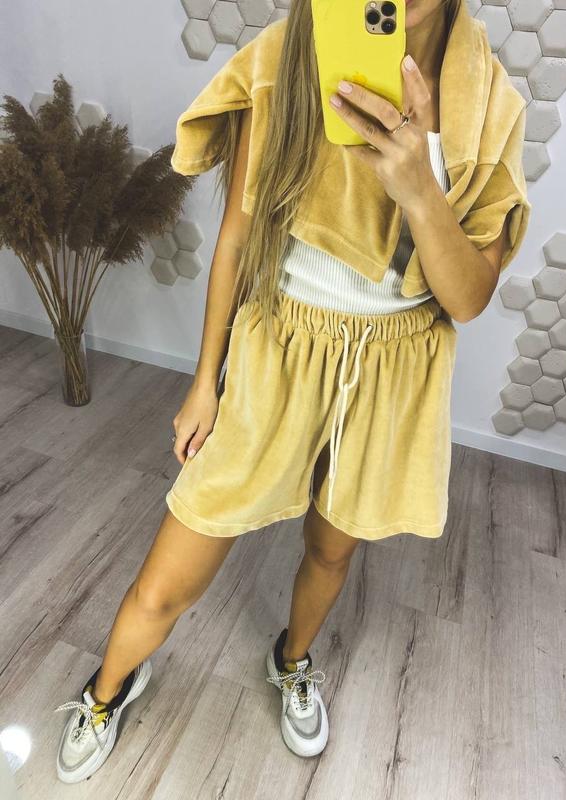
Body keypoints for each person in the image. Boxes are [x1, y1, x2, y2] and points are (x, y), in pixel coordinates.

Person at [54, 0, 527, 783]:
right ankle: (107, 689)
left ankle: (292, 660)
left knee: (331, 549)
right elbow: (239, 235)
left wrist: (419, 187)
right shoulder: (288, 55)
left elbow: (468, 297)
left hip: (395, 370)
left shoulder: (492, 106)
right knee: (170, 571)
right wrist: (205, 382)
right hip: (281, 344)